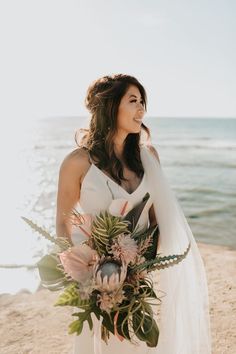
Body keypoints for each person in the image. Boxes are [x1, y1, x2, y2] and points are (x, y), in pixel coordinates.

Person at [56, 74, 211, 354]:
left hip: (137, 282)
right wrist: (82, 273)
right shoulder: (78, 162)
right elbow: (62, 222)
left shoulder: (148, 156)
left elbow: (155, 222)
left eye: (142, 102)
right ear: (110, 106)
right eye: (133, 101)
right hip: (96, 284)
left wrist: (139, 272)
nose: (141, 109)